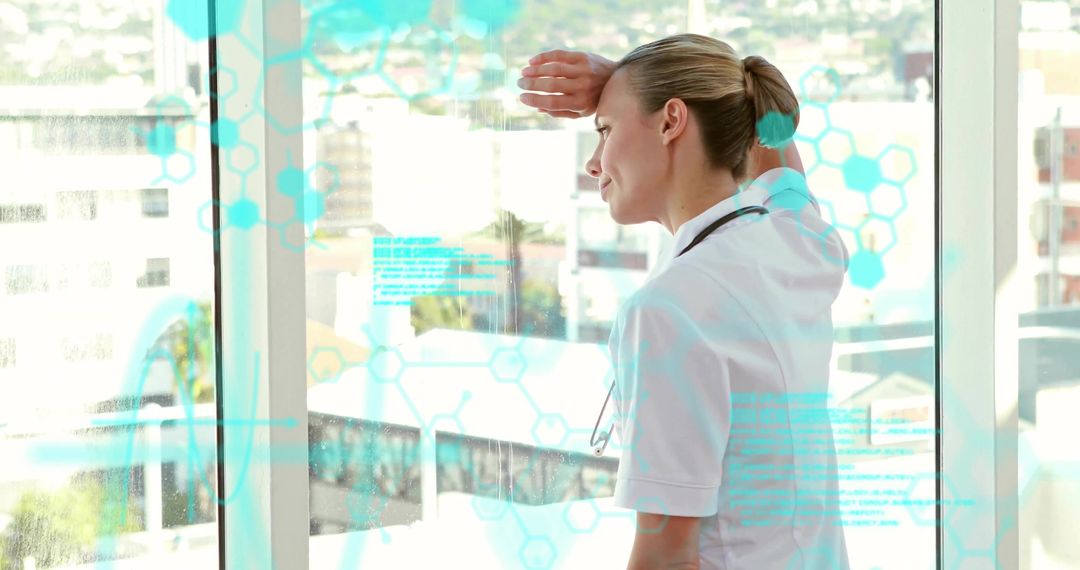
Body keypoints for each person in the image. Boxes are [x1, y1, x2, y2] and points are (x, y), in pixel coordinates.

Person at [518, 34, 851, 570]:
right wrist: (628, 87)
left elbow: (666, 554)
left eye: (604, 132)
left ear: (672, 121)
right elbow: (778, 140)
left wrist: (627, 82)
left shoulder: (669, 310)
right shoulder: (799, 244)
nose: (594, 163)